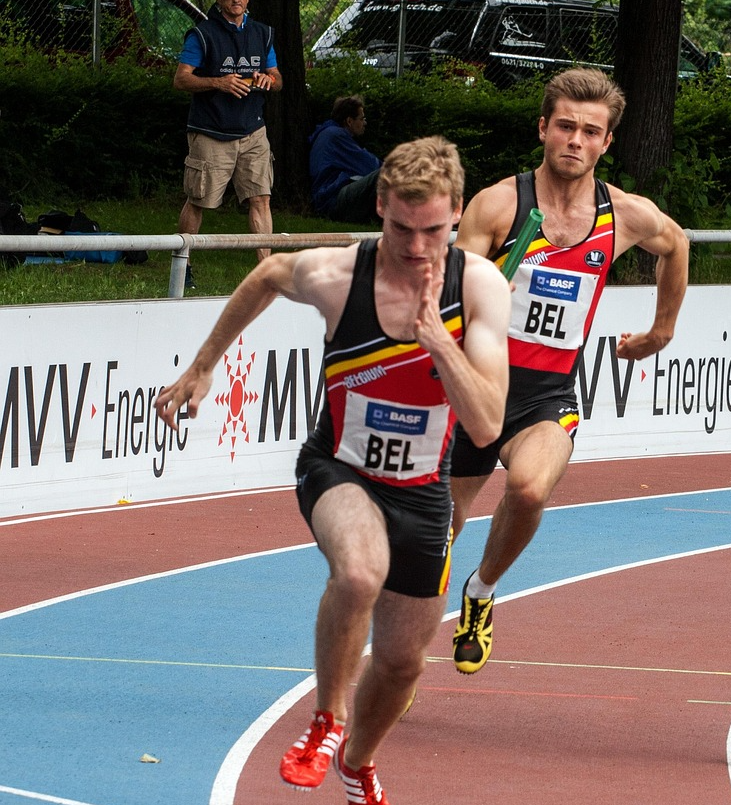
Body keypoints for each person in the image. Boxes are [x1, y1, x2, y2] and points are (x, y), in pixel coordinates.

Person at [153, 137, 512, 804]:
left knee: (403, 661)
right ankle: (325, 720)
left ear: (458, 214)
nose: (415, 245)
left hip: (423, 493)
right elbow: (264, 276)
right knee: (357, 571)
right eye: (401, 228)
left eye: (433, 229)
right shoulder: (339, 275)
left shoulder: (480, 287)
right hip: (338, 469)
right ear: (379, 207)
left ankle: (357, 760)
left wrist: (438, 339)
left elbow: (488, 423)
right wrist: (205, 364)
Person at [447, 67, 690, 675]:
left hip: (545, 395)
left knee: (530, 487)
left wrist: (662, 331)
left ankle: (481, 592)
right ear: (543, 129)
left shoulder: (623, 215)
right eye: (565, 127)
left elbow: (677, 243)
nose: (575, 141)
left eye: (590, 131)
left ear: (606, 143)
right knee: (433, 545)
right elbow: (444, 292)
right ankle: (402, 646)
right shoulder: (500, 205)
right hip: (472, 392)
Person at [173, 0, 282, 264]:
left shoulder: (262, 33)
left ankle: (265, 271)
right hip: (211, 131)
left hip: (253, 131)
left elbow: (278, 78)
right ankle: (183, 266)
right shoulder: (202, 34)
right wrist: (218, 82)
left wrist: (266, 79)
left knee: (261, 199)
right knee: (199, 201)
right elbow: (181, 80)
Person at [310, 94, 382, 224]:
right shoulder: (337, 136)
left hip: (329, 197)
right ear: (349, 121)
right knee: (385, 173)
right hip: (332, 198)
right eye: (362, 118)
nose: (364, 123)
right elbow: (370, 165)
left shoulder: (329, 133)